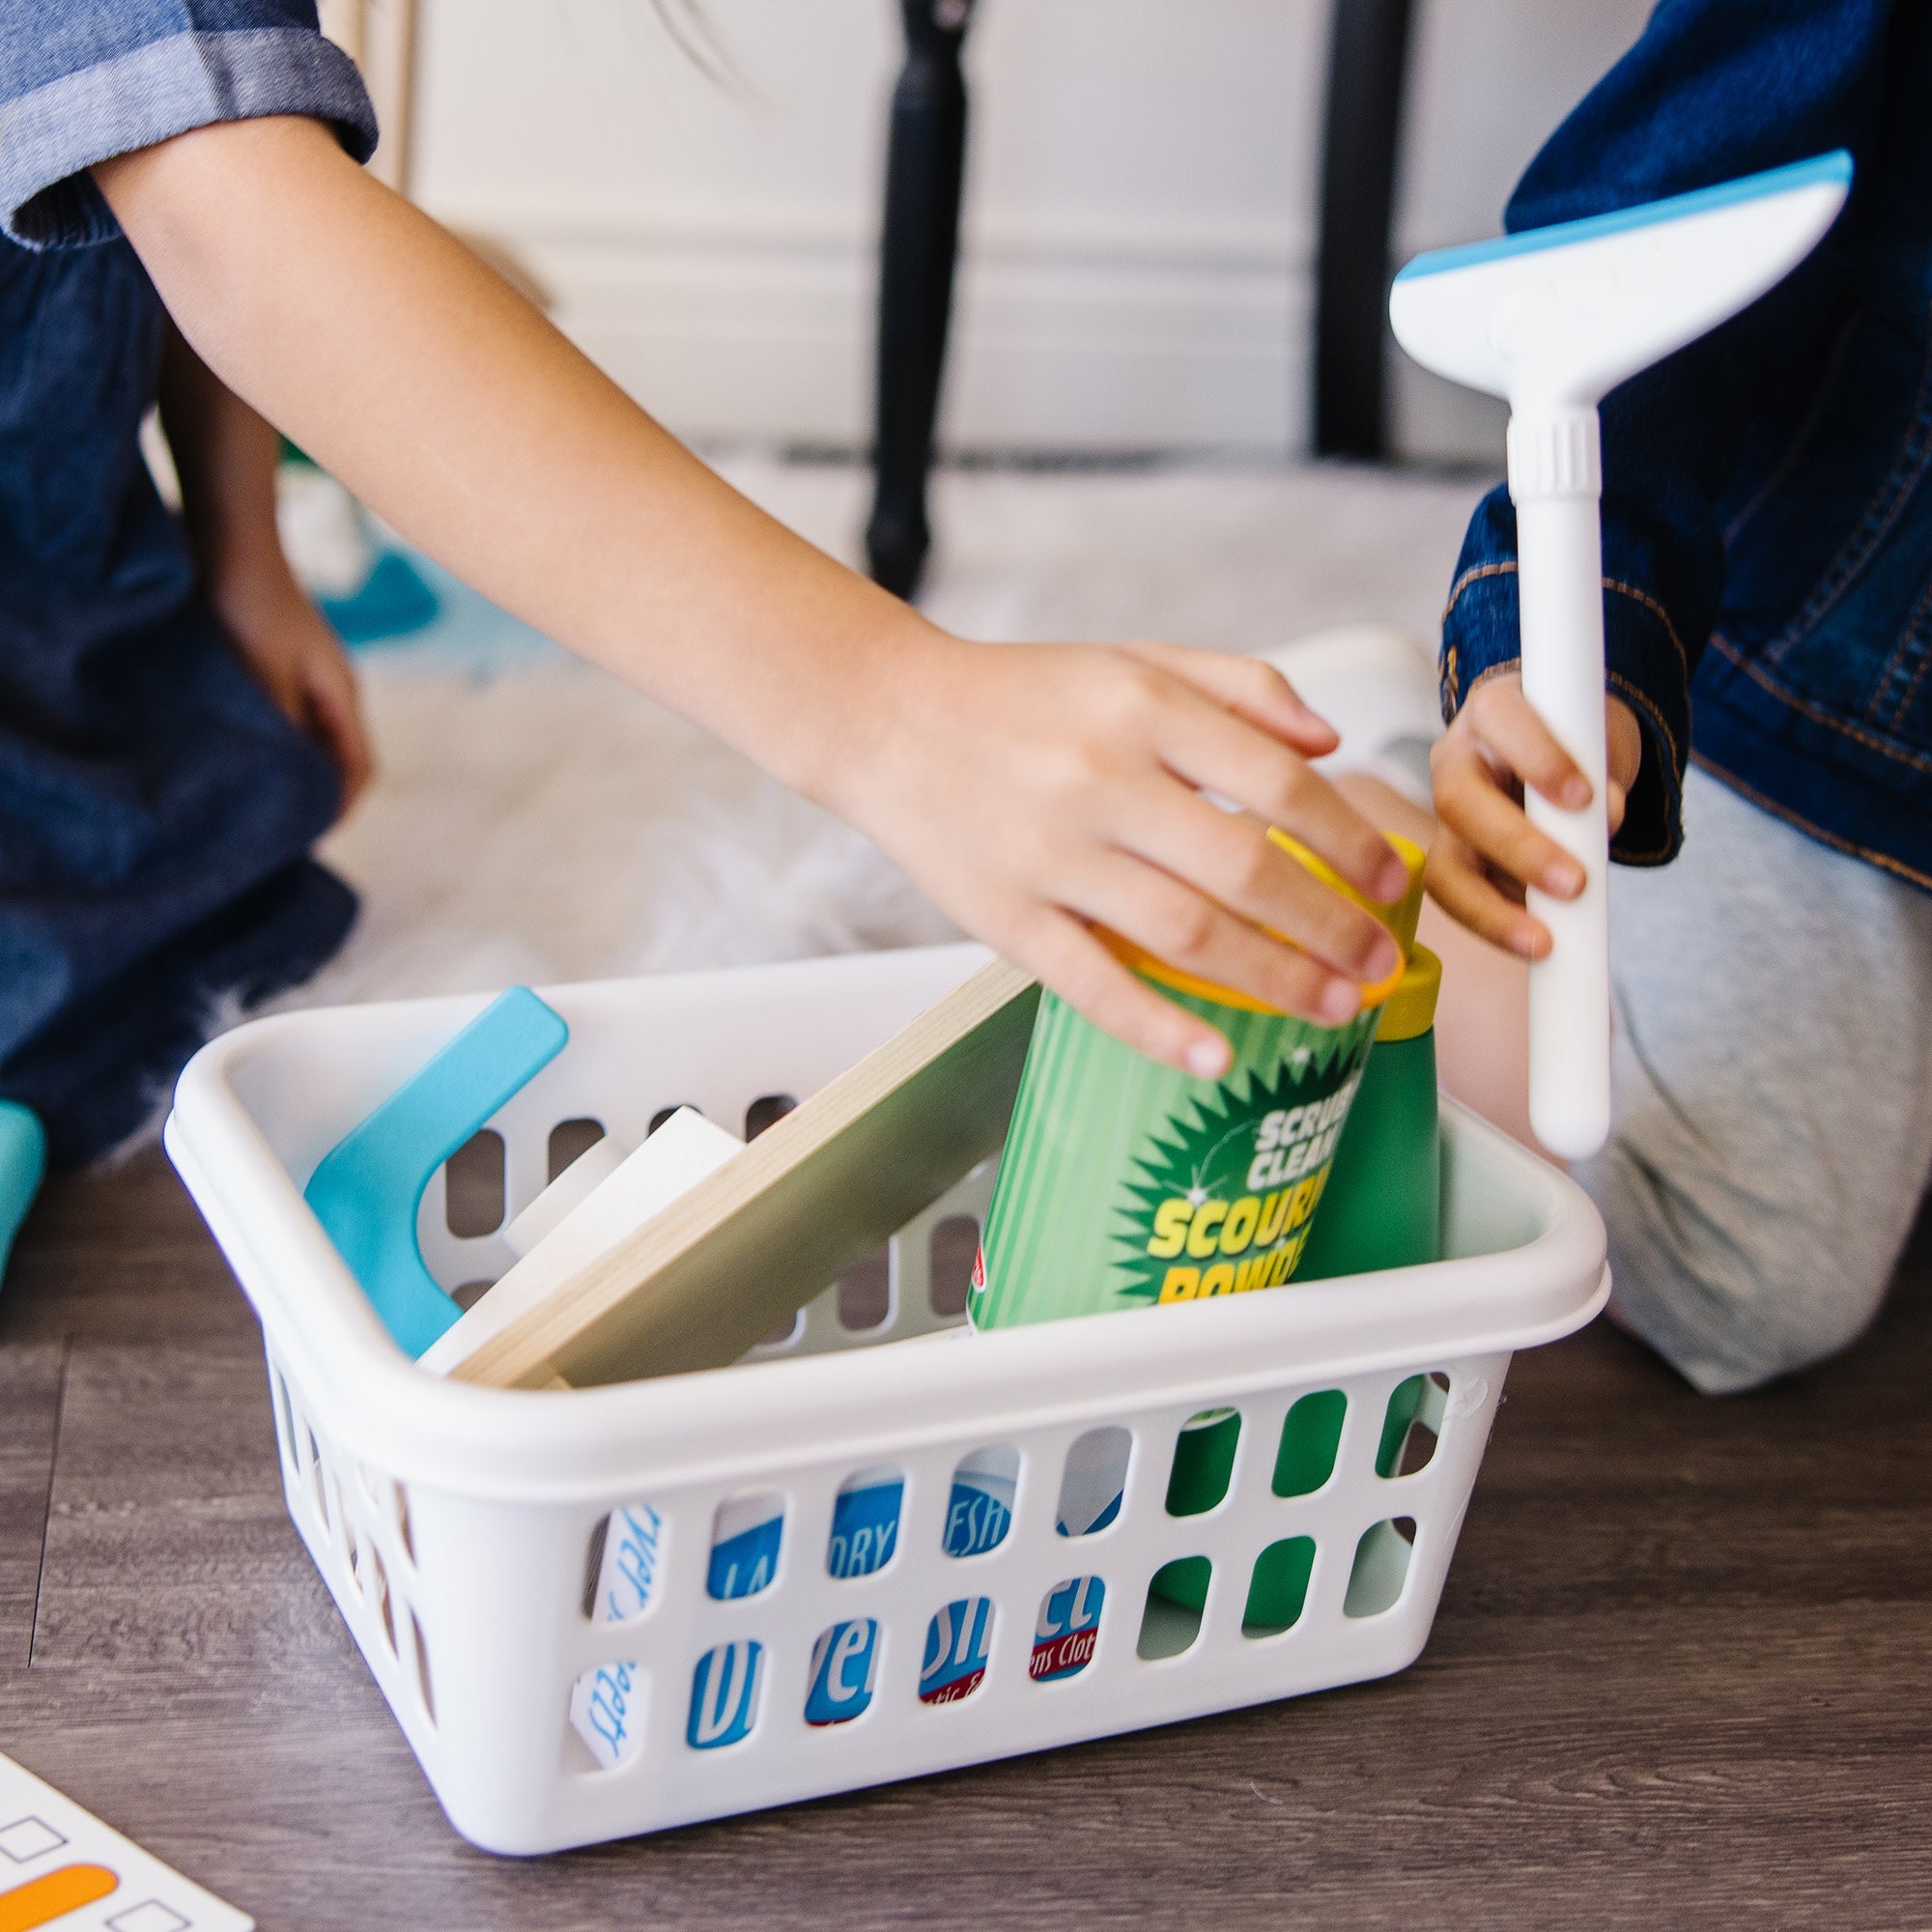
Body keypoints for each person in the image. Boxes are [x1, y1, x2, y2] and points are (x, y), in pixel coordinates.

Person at [0, 2, 1408, 1286]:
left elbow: (170, 183)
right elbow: (226, 214)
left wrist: (244, 556)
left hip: (77, 603)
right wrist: (897, 712)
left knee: (194, 901)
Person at [1422, 0, 1932, 1395]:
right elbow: (1656, 241)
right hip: (1830, 692)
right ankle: (1367, 782)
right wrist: (1573, 639)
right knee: (1743, 1266)